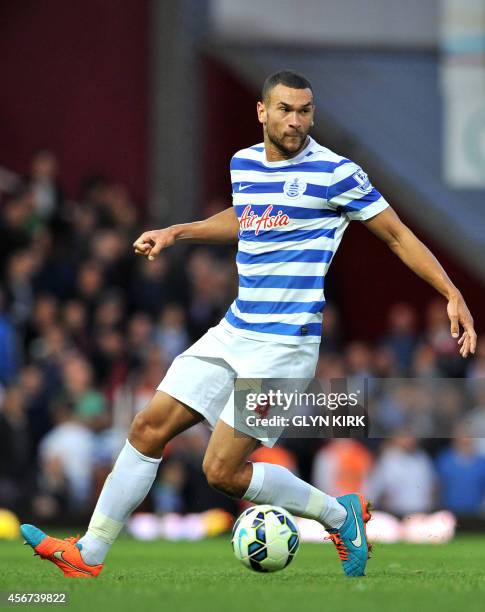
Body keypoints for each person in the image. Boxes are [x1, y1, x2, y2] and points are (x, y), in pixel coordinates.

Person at [21, 70, 476, 578]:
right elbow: (246, 215)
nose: (296, 120)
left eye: (305, 110)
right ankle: (89, 554)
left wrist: (450, 291)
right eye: (285, 109)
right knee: (148, 428)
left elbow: (396, 236)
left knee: (221, 471)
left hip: (285, 349)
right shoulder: (243, 163)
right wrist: (178, 232)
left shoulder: (336, 173)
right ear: (262, 111)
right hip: (234, 330)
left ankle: (337, 515)